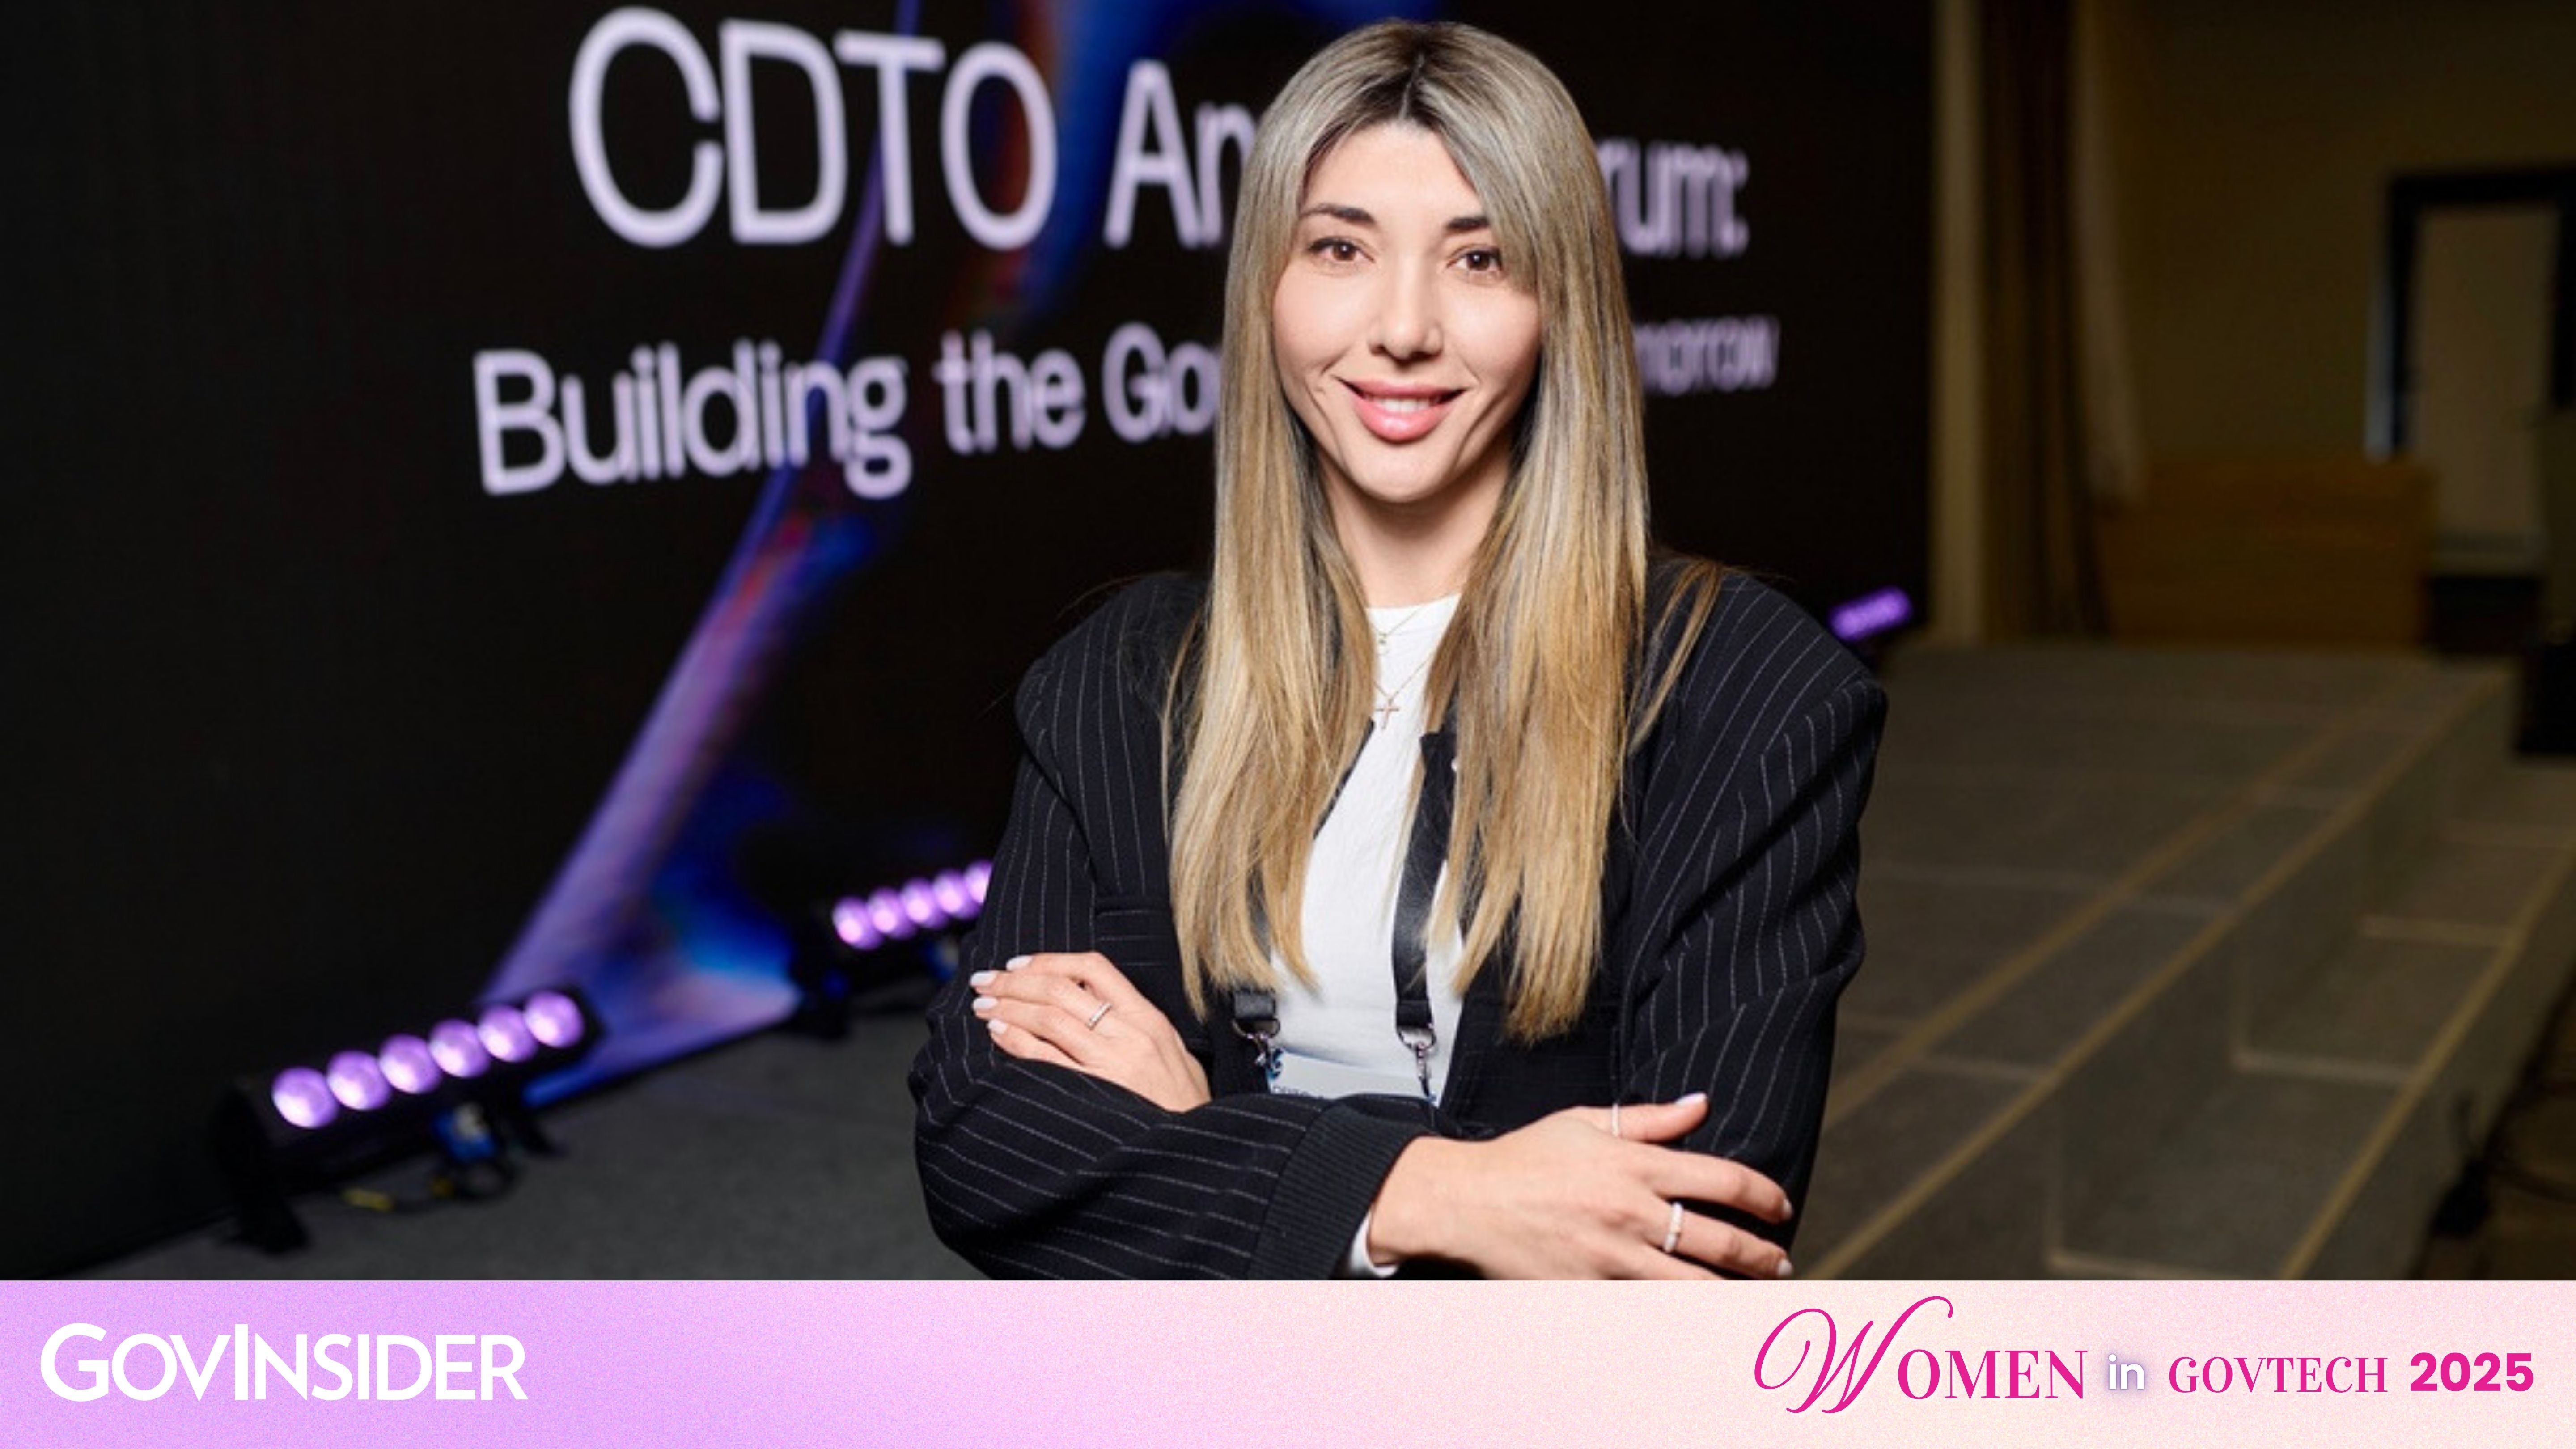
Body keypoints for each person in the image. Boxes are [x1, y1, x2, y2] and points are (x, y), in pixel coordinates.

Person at [908, 19, 1884, 1279]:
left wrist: (1204, 1137)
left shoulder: (1741, 690)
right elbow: (987, 1143)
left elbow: (1687, 1240)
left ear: (1560, 306)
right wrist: (1436, 1193)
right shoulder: (1126, 675)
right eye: (1340, 249)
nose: (1404, 328)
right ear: (1268, 288)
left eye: (1480, 258)